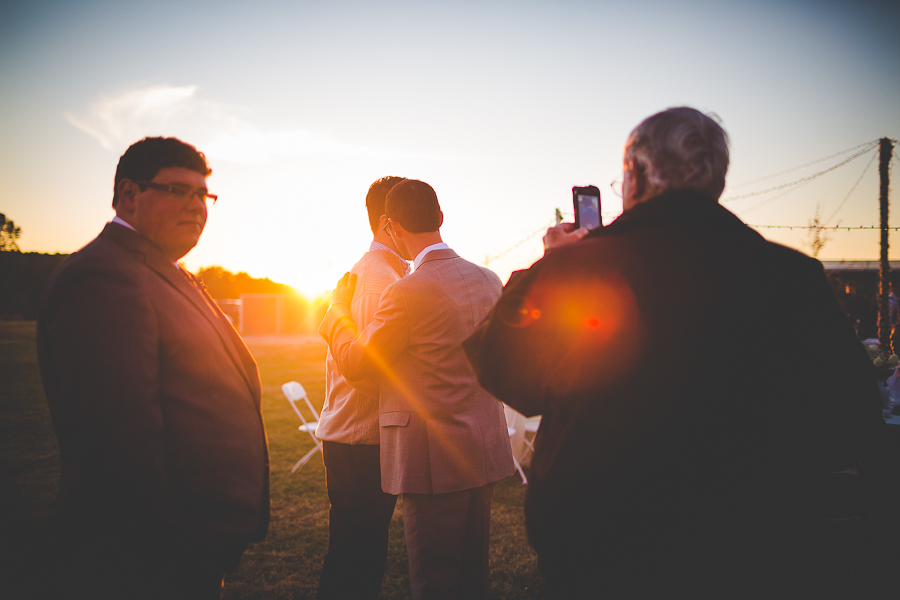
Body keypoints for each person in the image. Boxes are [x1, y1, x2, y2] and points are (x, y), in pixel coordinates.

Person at [463, 107, 885, 597]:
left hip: (600, 547)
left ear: (636, 174)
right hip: (749, 551)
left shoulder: (576, 269)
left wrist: (549, 263)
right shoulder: (792, 278)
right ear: (718, 181)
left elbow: (499, 366)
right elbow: (850, 416)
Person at [37, 137, 269, 600]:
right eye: (177, 191)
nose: (196, 206)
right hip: (149, 562)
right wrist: (177, 553)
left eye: (202, 194)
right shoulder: (106, 276)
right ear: (128, 195)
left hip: (191, 551)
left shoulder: (158, 268)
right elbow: (120, 443)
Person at [318, 179, 515, 600]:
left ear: (390, 226)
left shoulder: (405, 292)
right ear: (441, 218)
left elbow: (359, 365)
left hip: (433, 459)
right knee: (474, 576)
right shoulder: (488, 279)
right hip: (483, 451)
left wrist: (334, 312)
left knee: (434, 580)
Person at [315, 176, 410, 599]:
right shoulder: (377, 280)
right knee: (357, 559)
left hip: (357, 437)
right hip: (360, 440)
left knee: (359, 554)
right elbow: (368, 371)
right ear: (388, 223)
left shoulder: (385, 273)